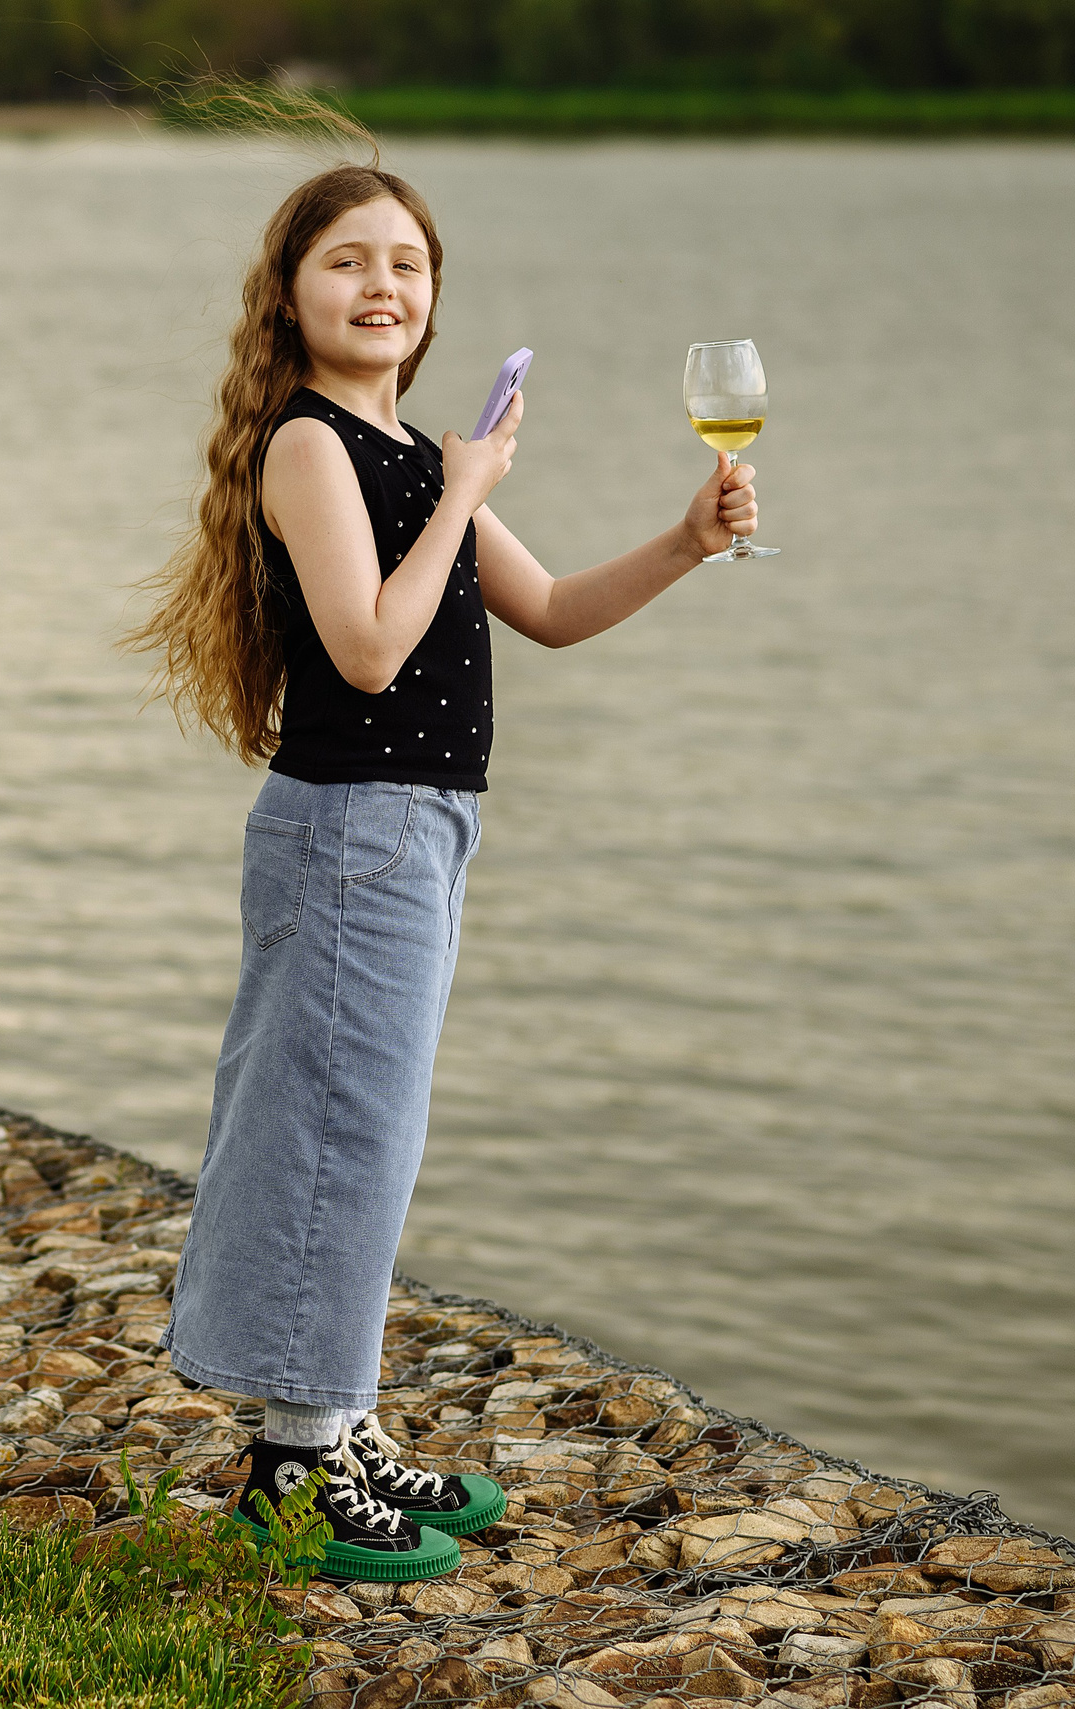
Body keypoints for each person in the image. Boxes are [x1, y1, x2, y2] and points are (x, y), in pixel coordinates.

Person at [126, 155, 762, 1583]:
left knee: (372, 1133)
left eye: (407, 264)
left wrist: (683, 539)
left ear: (432, 301)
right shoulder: (312, 447)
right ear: (290, 295)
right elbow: (364, 644)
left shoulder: (415, 457)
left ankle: (337, 1419)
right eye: (350, 260)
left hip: (414, 827)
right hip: (354, 827)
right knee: (337, 1134)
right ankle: (291, 1466)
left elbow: (549, 610)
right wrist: (464, 487)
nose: (384, 285)